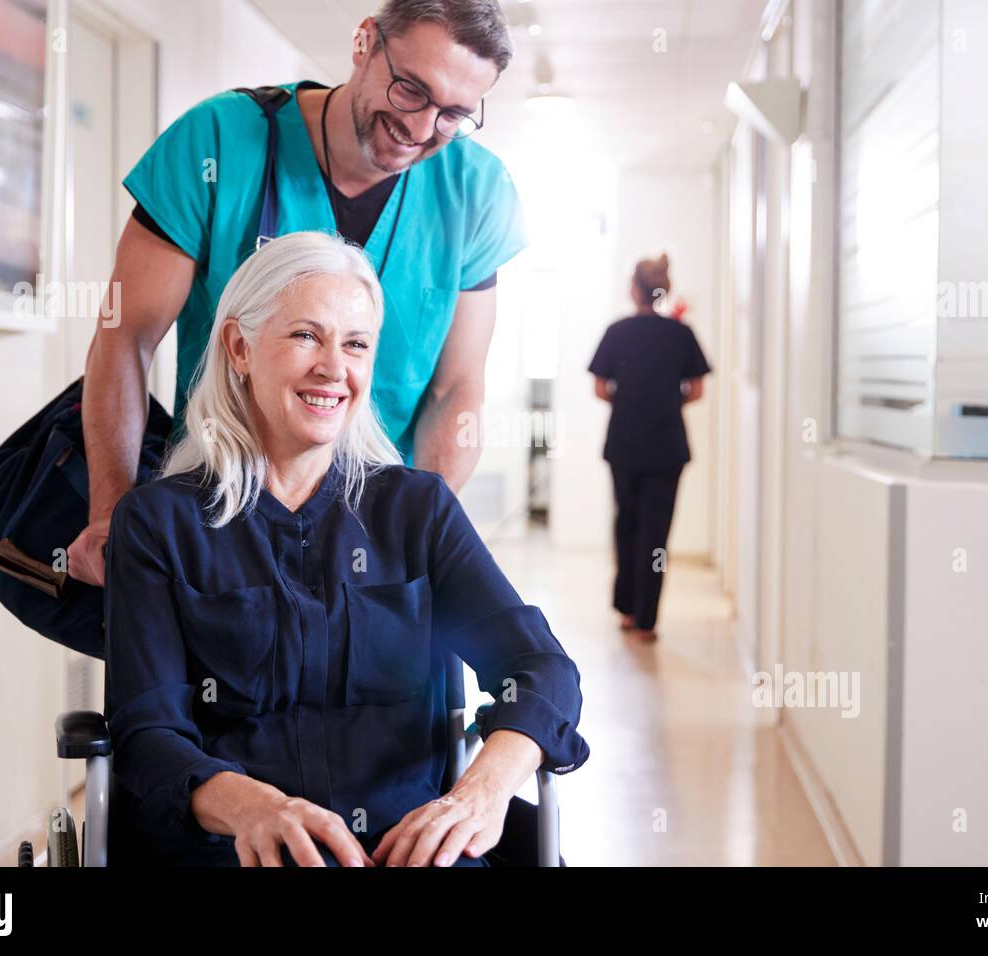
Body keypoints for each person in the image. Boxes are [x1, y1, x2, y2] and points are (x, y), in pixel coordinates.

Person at [103, 231, 589, 866]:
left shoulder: (416, 511)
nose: (334, 368)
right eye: (306, 335)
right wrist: (255, 807)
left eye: (356, 344)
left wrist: (480, 793)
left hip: (405, 848)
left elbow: (542, 669)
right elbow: (147, 733)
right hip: (235, 850)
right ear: (239, 347)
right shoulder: (158, 523)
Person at [70, 0, 529, 587]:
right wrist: (113, 512)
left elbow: (457, 386)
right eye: (411, 89)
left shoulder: (476, 190)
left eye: (453, 115)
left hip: (377, 535)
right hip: (220, 517)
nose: (420, 129)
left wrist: (418, 527)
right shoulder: (219, 142)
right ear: (364, 42)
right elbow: (125, 337)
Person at [587, 254, 712, 642]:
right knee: (656, 533)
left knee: (626, 523)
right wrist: (665, 401)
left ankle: (625, 608)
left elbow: (599, 387)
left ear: (635, 289)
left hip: (625, 442)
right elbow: (696, 389)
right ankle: (646, 620)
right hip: (667, 446)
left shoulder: (617, 331)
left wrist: (629, 402)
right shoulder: (681, 333)